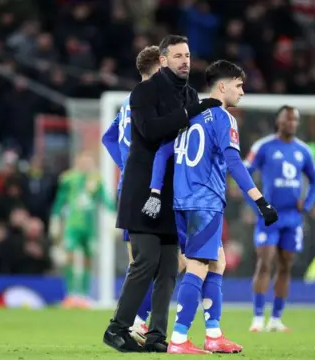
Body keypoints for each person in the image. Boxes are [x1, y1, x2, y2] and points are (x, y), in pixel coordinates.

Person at [145, 60, 278, 354]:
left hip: (180, 201)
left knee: (217, 261)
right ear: (222, 86)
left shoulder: (188, 114)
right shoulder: (222, 117)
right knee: (198, 265)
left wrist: (156, 191)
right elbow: (234, 163)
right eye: (239, 85)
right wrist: (260, 201)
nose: (242, 92)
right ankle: (179, 338)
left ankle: (214, 334)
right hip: (204, 203)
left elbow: (162, 153)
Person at [103, 35, 221, 353]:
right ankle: (116, 329)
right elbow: (151, 131)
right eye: (178, 55)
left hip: (175, 192)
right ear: (164, 60)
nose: (185, 60)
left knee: (170, 265)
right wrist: (190, 113)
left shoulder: (191, 94)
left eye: (188, 54)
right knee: (145, 260)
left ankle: (156, 335)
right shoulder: (143, 92)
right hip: (143, 189)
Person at [101, 45, 162, 343]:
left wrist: (126, 163)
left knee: (140, 261)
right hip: (148, 187)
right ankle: (136, 320)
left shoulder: (127, 101)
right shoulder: (151, 99)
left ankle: (132, 322)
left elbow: (108, 137)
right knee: (159, 261)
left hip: (129, 186)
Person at [244, 105, 315, 332]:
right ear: (278, 121)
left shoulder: (303, 151)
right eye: (288, 120)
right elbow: (244, 174)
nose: (292, 124)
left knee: (286, 265)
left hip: (292, 218)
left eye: (295, 120)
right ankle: (258, 318)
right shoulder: (263, 147)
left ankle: (276, 319)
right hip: (269, 216)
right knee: (264, 261)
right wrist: (257, 206)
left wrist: (306, 204)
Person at [51, 151, 114, 308]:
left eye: (89, 161)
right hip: (72, 225)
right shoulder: (69, 178)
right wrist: (55, 218)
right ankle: (71, 294)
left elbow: (105, 199)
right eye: (83, 161)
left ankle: (83, 295)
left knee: (88, 260)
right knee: (70, 257)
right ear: (77, 162)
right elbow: (60, 199)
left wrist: (113, 215)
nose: (86, 164)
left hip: (89, 227)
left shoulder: (95, 180)